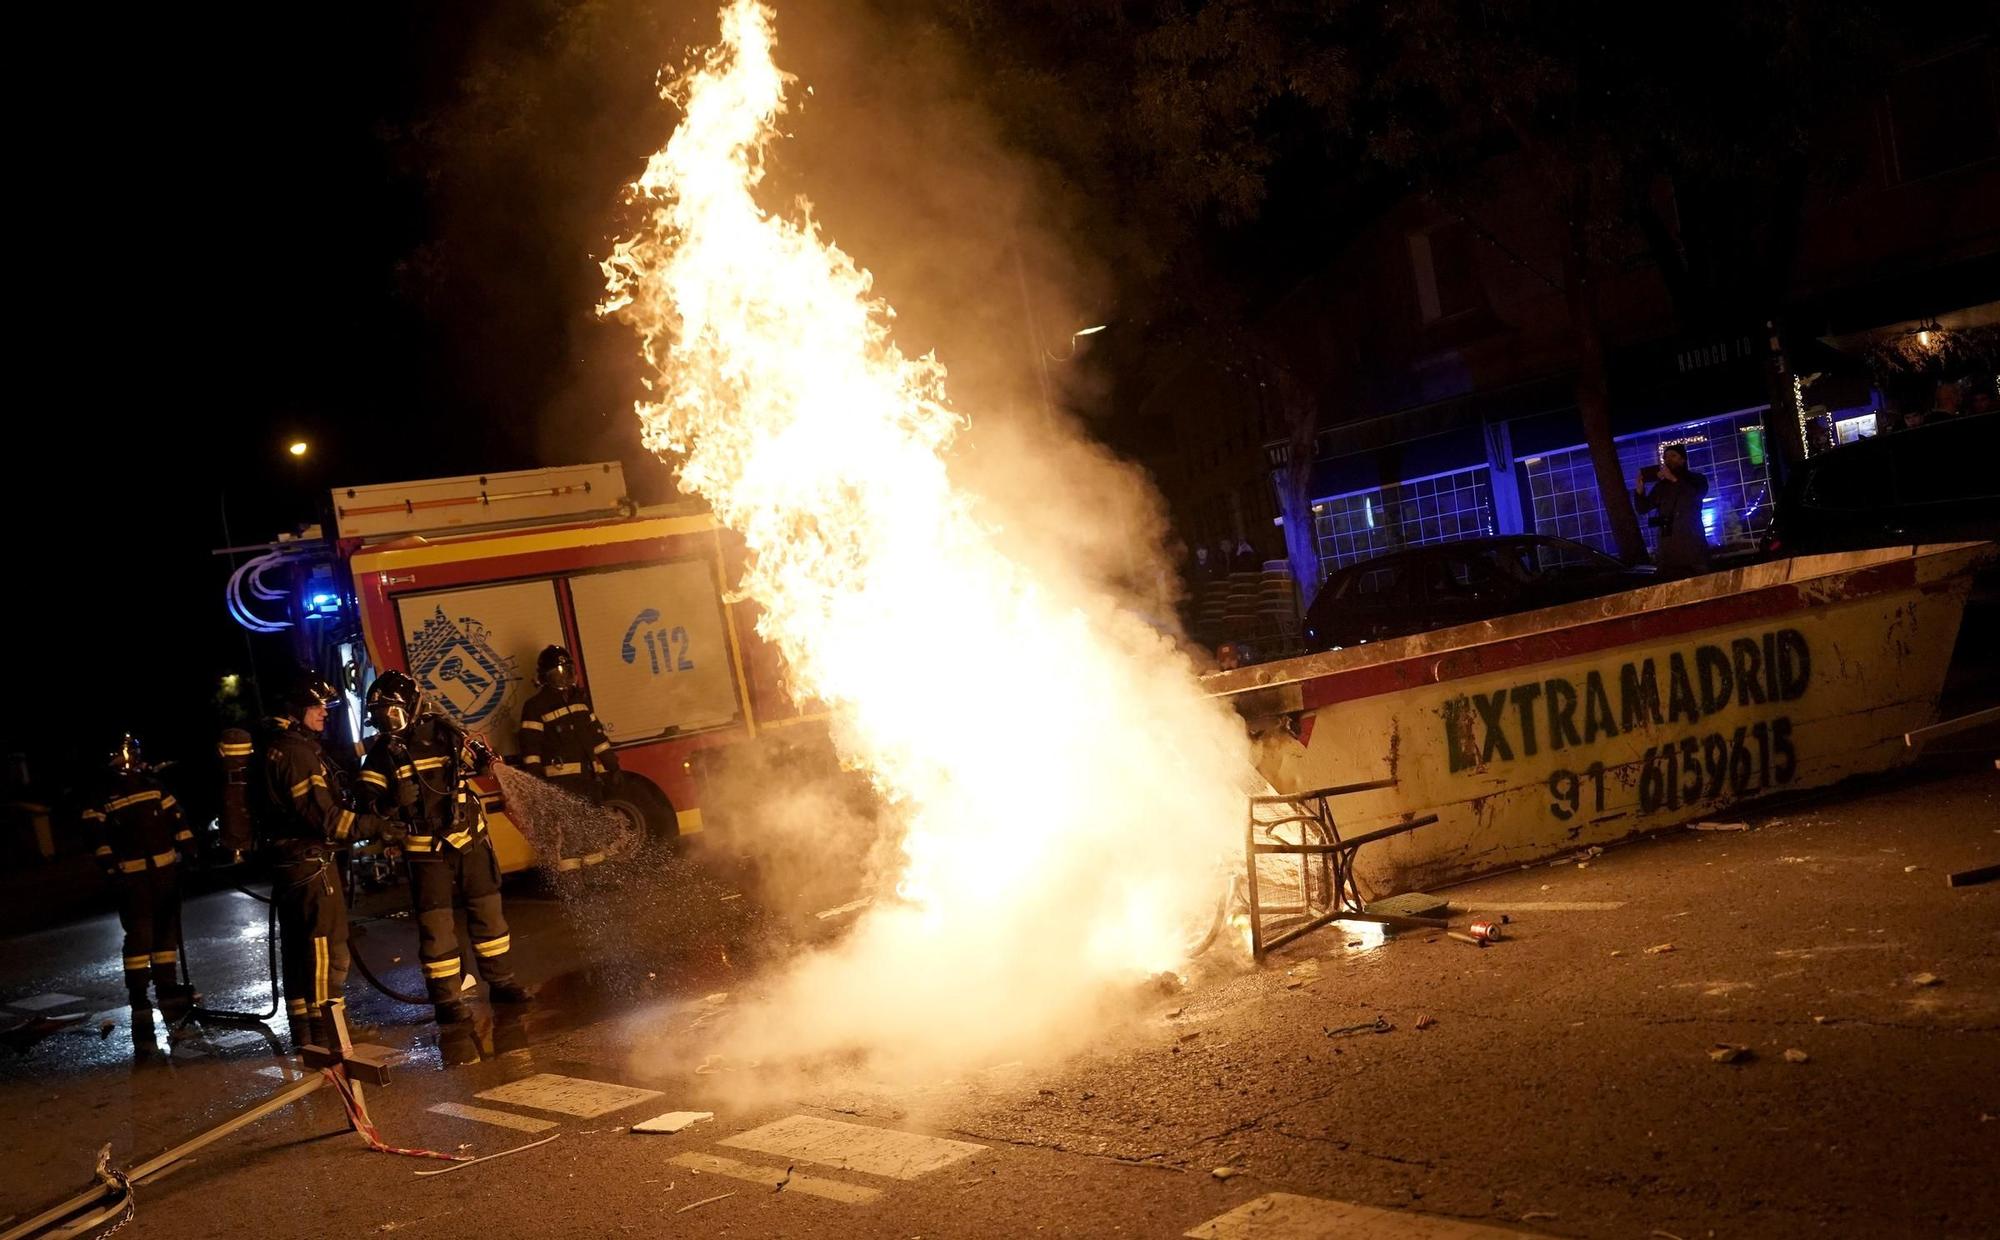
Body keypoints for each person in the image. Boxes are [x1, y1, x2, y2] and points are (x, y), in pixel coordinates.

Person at [361, 671, 529, 1028]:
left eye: (390, 713)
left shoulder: (447, 735)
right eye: (378, 716)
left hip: (470, 841)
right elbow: (365, 805)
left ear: (412, 706)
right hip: (426, 853)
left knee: (489, 914)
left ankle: (501, 982)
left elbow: (481, 761)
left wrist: (488, 760)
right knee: (437, 928)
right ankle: (447, 1000)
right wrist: (391, 803)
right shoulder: (380, 756)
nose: (384, 723)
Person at [253, 671, 395, 1052]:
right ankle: (327, 1031)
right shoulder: (297, 753)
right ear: (298, 709)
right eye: (316, 706)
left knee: (302, 947)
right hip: (309, 863)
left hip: (294, 864)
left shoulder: (282, 746)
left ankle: (306, 1030)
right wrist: (379, 826)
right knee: (324, 946)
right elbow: (326, 818)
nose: (323, 712)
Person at [83, 734, 197, 1032]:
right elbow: (97, 838)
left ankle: (167, 989)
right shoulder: (102, 796)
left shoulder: (152, 786)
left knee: (166, 936)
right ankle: (138, 996)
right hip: (132, 879)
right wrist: (111, 871)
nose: (131, 761)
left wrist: (190, 852)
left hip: (164, 875)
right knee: (140, 938)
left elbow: (178, 819)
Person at [516, 646, 620, 873]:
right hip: (561, 785)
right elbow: (530, 746)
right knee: (569, 834)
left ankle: (596, 878)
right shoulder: (535, 706)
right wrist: (536, 781)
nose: (563, 678)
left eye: (567, 672)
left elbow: (597, 736)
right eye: (557, 674)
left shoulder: (580, 701)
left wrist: (612, 765)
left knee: (592, 828)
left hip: (588, 781)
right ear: (544, 678)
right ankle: (573, 884)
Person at [1633, 445, 1712, 575]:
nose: (1669, 460)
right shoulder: (1661, 486)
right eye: (1666, 457)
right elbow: (1642, 508)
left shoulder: (1697, 479)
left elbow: (1693, 497)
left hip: (1692, 545)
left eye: (1673, 456)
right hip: (1668, 549)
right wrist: (1640, 490)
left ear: (1683, 460)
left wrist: (1673, 479)